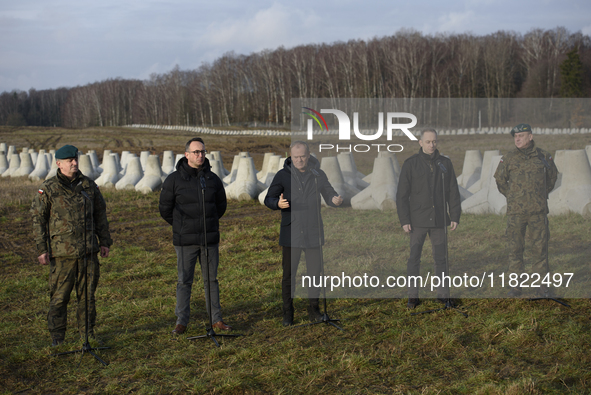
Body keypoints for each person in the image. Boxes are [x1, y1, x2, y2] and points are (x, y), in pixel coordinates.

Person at [31, 144, 112, 346]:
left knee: (87, 297)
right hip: (62, 255)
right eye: (69, 161)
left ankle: (87, 334)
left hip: (88, 252)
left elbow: (100, 214)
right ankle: (57, 337)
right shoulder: (48, 189)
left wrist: (104, 242)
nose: (74, 163)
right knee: (59, 297)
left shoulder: (89, 186)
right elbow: (38, 220)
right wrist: (42, 249)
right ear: (59, 164)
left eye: (75, 159)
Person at [264, 141, 343, 326]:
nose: (299, 160)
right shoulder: (282, 176)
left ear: (309, 156)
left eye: (303, 156)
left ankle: (314, 310)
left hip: (313, 232)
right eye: (296, 157)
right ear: (291, 157)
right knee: (289, 275)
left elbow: (329, 193)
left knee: (315, 273)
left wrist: (334, 200)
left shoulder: (318, 175)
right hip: (291, 232)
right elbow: (269, 198)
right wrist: (277, 204)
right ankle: (288, 313)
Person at [159, 137, 231, 335]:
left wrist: (208, 224)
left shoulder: (212, 179)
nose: (200, 155)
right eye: (196, 152)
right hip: (185, 242)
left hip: (209, 240)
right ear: (187, 155)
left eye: (203, 152)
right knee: (184, 281)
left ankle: (216, 319)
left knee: (211, 281)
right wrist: (182, 227)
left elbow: (221, 206)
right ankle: (181, 321)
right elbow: (165, 209)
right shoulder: (174, 180)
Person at [396, 129, 461, 309]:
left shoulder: (445, 163)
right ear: (420, 142)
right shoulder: (410, 164)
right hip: (417, 221)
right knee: (414, 258)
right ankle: (413, 296)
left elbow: (453, 191)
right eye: (428, 142)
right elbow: (402, 194)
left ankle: (443, 295)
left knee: (441, 258)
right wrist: (404, 220)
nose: (432, 145)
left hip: (439, 220)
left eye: (434, 142)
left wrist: (454, 215)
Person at [493, 123, 558, 297]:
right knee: (515, 249)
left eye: (521, 136)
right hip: (516, 213)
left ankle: (541, 286)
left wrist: (541, 194)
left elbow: (552, 178)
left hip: (538, 212)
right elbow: (500, 180)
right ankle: (516, 286)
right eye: (515, 136)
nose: (517, 139)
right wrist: (513, 196)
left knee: (540, 249)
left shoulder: (544, 156)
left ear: (530, 136)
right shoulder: (508, 158)